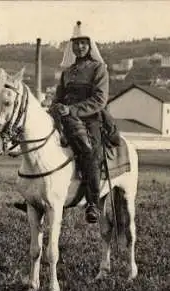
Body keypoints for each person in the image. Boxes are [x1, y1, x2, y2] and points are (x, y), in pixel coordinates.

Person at [49, 21, 117, 224]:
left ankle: (93, 204)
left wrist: (72, 110)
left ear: (90, 45)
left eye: (83, 43)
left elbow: (99, 100)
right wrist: (54, 109)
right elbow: (58, 97)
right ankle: (38, 197)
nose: (79, 47)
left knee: (89, 152)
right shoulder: (67, 72)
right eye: (76, 43)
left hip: (90, 120)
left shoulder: (99, 68)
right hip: (65, 119)